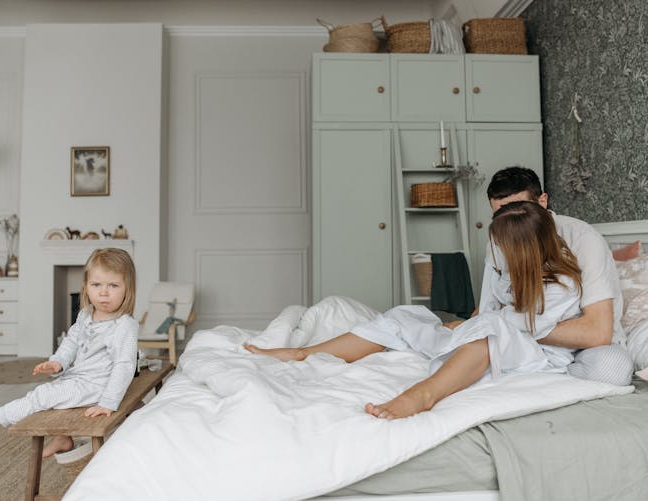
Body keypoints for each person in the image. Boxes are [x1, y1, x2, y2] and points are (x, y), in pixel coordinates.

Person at [246, 202, 586, 419]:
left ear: (522, 250)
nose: (493, 251)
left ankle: (421, 396)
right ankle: (303, 352)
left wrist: (471, 327)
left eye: (500, 246)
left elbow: (525, 327)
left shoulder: (562, 287)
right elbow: (490, 308)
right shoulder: (505, 269)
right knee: (404, 318)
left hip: (536, 351)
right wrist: (465, 323)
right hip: (488, 330)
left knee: (486, 337)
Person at [0, 248, 139, 457]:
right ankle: (63, 439)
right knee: (50, 392)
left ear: (128, 289)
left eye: (113, 285)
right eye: (96, 285)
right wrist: (57, 362)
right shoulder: (86, 315)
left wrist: (108, 402)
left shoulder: (123, 325)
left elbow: (124, 366)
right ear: (86, 287)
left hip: (97, 386)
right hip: (77, 379)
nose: (103, 292)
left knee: (42, 396)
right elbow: (71, 342)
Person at [474, 166, 632, 385]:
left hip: (581, 348)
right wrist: (473, 329)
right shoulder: (499, 238)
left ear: (542, 201)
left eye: (518, 210)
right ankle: (534, 372)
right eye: (500, 215)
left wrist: (510, 322)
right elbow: (487, 306)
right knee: (467, 347)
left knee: (613, 368)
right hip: (519, 339)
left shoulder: (583, 239)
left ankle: (546, 374)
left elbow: (597, 333)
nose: (509, 225)